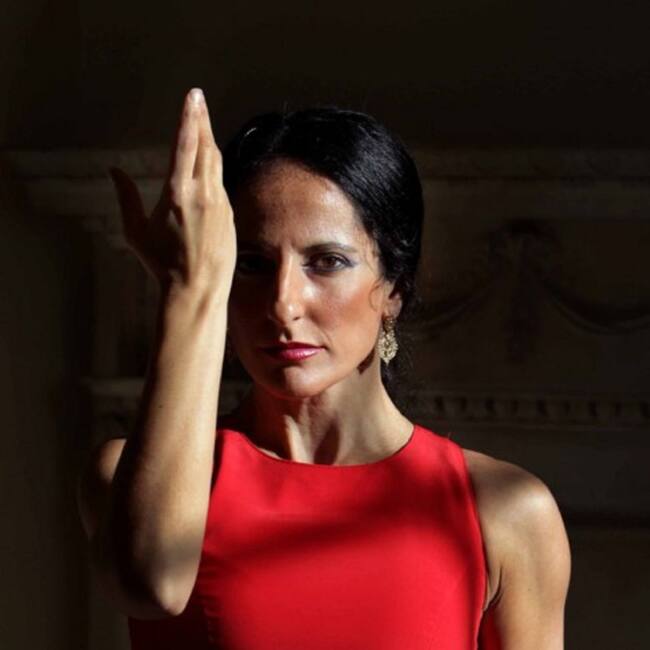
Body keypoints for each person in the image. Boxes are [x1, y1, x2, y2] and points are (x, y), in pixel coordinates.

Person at [76, 87, 571, 649]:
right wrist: (190, 287)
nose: (283, 302)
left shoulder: (506, 513)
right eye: (252, 263)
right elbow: (152, 587)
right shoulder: (128, 479)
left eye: (327, 262)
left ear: (395, 288)